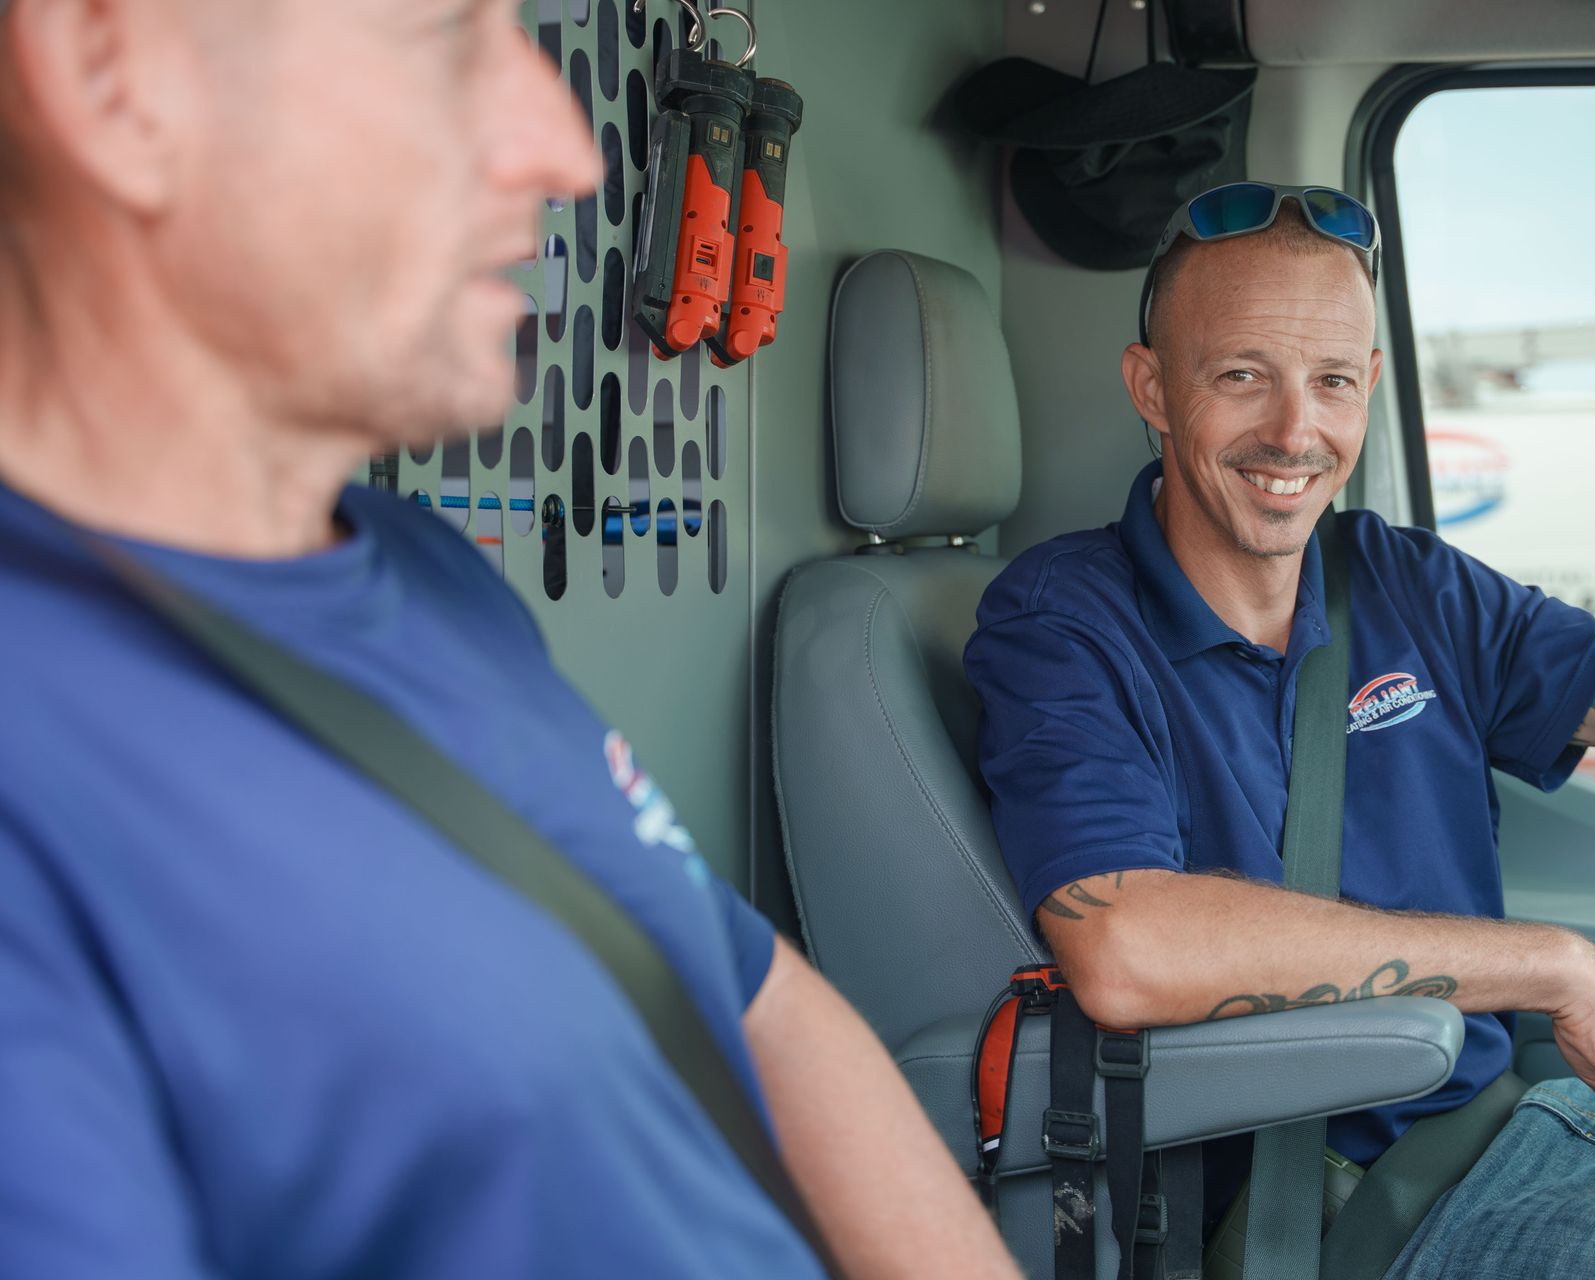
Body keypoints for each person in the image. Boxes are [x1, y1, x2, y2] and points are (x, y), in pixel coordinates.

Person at [0, 1, 1020, 1277]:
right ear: (108, 73)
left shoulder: (418, 574)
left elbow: (756, 998)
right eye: (442, 37)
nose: (564, 149)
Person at [963, 180, 1595, 1276]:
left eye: (1331, 381)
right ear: (1154, 387)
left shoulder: (1406, 583)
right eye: (1241, 376)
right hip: (1373, 1220)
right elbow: (1126, 948)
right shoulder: (1062, 620)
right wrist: (1555, 967)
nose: (1294, 430)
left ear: (1369, 384)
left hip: (1522, 1118)